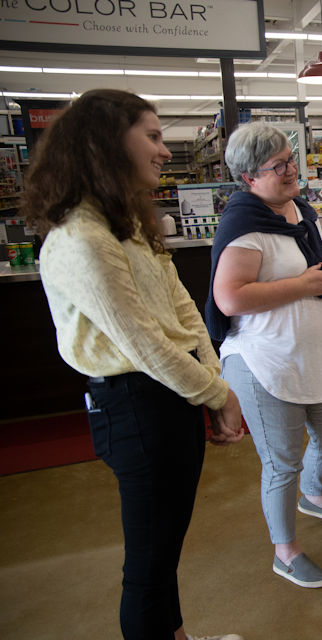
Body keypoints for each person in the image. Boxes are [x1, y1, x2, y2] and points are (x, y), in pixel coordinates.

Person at [22, 89, 245, 640]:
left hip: (171, 396)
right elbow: (142, 342)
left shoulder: (130, 226)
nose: (165, 150)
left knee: (164, 548)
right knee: (147, 563)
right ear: (105, 144)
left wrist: (212, 382)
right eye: (152, 135)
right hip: (136, 405)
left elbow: (183, 309)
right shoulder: (81, 237)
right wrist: (218, 395)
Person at [207, 122, 322, 589]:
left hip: (311, 354)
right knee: (282, 462)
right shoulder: (244, 225)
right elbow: (229, 298)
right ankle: (285, 552)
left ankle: (313, 496)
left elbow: (312, 265)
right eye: (279, 166)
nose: (292, 171)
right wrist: (306, 285)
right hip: (264, 361)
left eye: (291, 161)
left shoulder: (299, 211)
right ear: (249, 177)